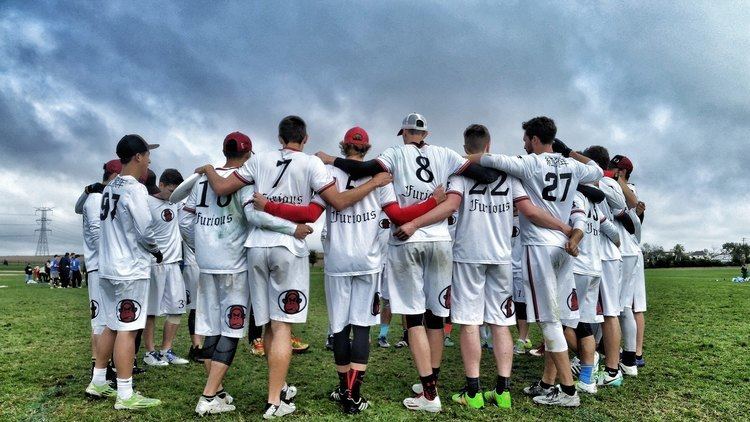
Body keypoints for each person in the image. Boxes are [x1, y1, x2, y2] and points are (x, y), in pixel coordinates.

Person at [197, 117, 390, 418]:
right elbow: (332, 205)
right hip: (288, 247)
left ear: (279, 137)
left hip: (256, 246)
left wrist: (210, 169)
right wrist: (375, 183)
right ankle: (275, 400)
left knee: (267, 325)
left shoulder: (259, 160)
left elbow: (221, 188)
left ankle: (280, 387)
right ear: (306, 138)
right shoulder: (312, 164)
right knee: (282, 326)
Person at [315, 113, 502, 413]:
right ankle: (431, 384)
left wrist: (329, 158)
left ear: (403, 132)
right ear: (426, 133)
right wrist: (476, 160)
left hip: (407, 240)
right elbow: (486, 176)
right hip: (440, 240)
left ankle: (429, 394)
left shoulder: (393, 154)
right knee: (436, 318)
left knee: (413, 320)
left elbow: (363, 169)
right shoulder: (446, 154)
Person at [259, 126, 444, 414]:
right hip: (368, 262)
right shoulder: (380, 175)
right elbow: (398, 216)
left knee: (339, 329)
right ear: (367, 147)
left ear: (343, 146)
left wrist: (268, 205)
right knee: (361, 328)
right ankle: (353, 394)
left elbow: (310, 214)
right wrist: (433, 201)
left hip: (337, 262)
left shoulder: (329, 172)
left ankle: (343, 389)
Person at [467, 116, 603, 407]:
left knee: (549, 321)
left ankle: (568, 392)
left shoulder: (529, 163)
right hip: (564, 246)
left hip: (539, 246)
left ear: (535, 139)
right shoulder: (572, 165)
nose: (524, 144)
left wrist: (463, 157)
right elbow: (597, 169)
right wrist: (569, 152)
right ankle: (548, 383)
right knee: (560, 318)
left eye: (526, 140)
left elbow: (487, 159)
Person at [446, 124, 574, 409]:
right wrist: (564, 227)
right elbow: (529, 211)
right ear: (488, 146)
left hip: (468, 255)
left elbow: (451, 206)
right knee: (502, 323)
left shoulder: (459, 173)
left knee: (469, 322)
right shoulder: (510, 175)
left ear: (466, 148)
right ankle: (502, 391)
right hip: (502, 256)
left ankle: (473, 392)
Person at [85, 134, 162, 410]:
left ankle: (98, 381)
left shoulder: (109, 188)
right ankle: (125, 394)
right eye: (147, 154)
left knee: (110, 324)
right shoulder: (135, 189)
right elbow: (145, 229)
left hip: (107, 267)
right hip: (129, 268)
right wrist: (156, 250)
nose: (149, 160)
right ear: (138, 157)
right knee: (128, 330)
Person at [142, 169, 190, 367]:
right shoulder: (146, 202)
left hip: (174, 263)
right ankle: (149, 352)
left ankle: (166, 350)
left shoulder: (176, 202)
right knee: (151, 311)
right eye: (171, 191)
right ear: (161, 185)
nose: (173, 195)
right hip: (154, 264)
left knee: (177, 308)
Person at [80, 159, 122, 384]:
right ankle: (99, 368)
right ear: (114, 176)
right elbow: (97, 236)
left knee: (105, 319)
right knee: (100, 321)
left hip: (103, 265)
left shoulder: (97, 196)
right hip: (99, 266)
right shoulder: (97, 199)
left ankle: (102, 366)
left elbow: (77, 208)